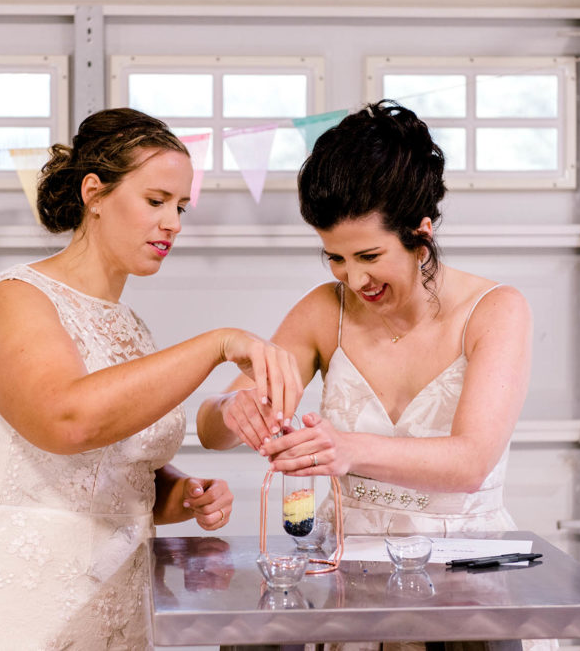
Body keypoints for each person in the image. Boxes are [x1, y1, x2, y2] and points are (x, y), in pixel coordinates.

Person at [0, 108, 303, 650]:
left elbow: (110, 474)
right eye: (156, 201)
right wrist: (218, 342)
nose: (174, 224)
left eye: (181, 207)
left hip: (116, 603)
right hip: (9, 603)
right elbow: (67, 421)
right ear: (94, 192)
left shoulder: (132, 328)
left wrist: (180, 494)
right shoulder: (16, 298)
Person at [197, 100, 555, 651]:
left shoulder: (496, 311)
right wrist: (230, 410)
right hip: (341, 576)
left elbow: (470, 463)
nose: (354, 278)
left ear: (422, 231)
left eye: (369, 254)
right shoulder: (325, 310)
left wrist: (345, 448)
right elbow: (209, 430)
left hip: (466, 576)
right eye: (334, 258)